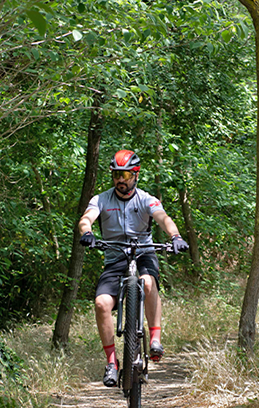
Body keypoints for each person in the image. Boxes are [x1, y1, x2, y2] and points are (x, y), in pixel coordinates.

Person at [79, 149, 189, 387]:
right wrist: (87, 232)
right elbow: (86, 218)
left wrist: (176, 236)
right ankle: (112, 362)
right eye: (116, 175)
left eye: (126, 175)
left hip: (144, 253)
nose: (121, 180)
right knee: (101, 304)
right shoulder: (101, 199)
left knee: (148, 282)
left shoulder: (146, 199)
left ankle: (155, 339)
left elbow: (163, 218)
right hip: (115, 256)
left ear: (136, 175)